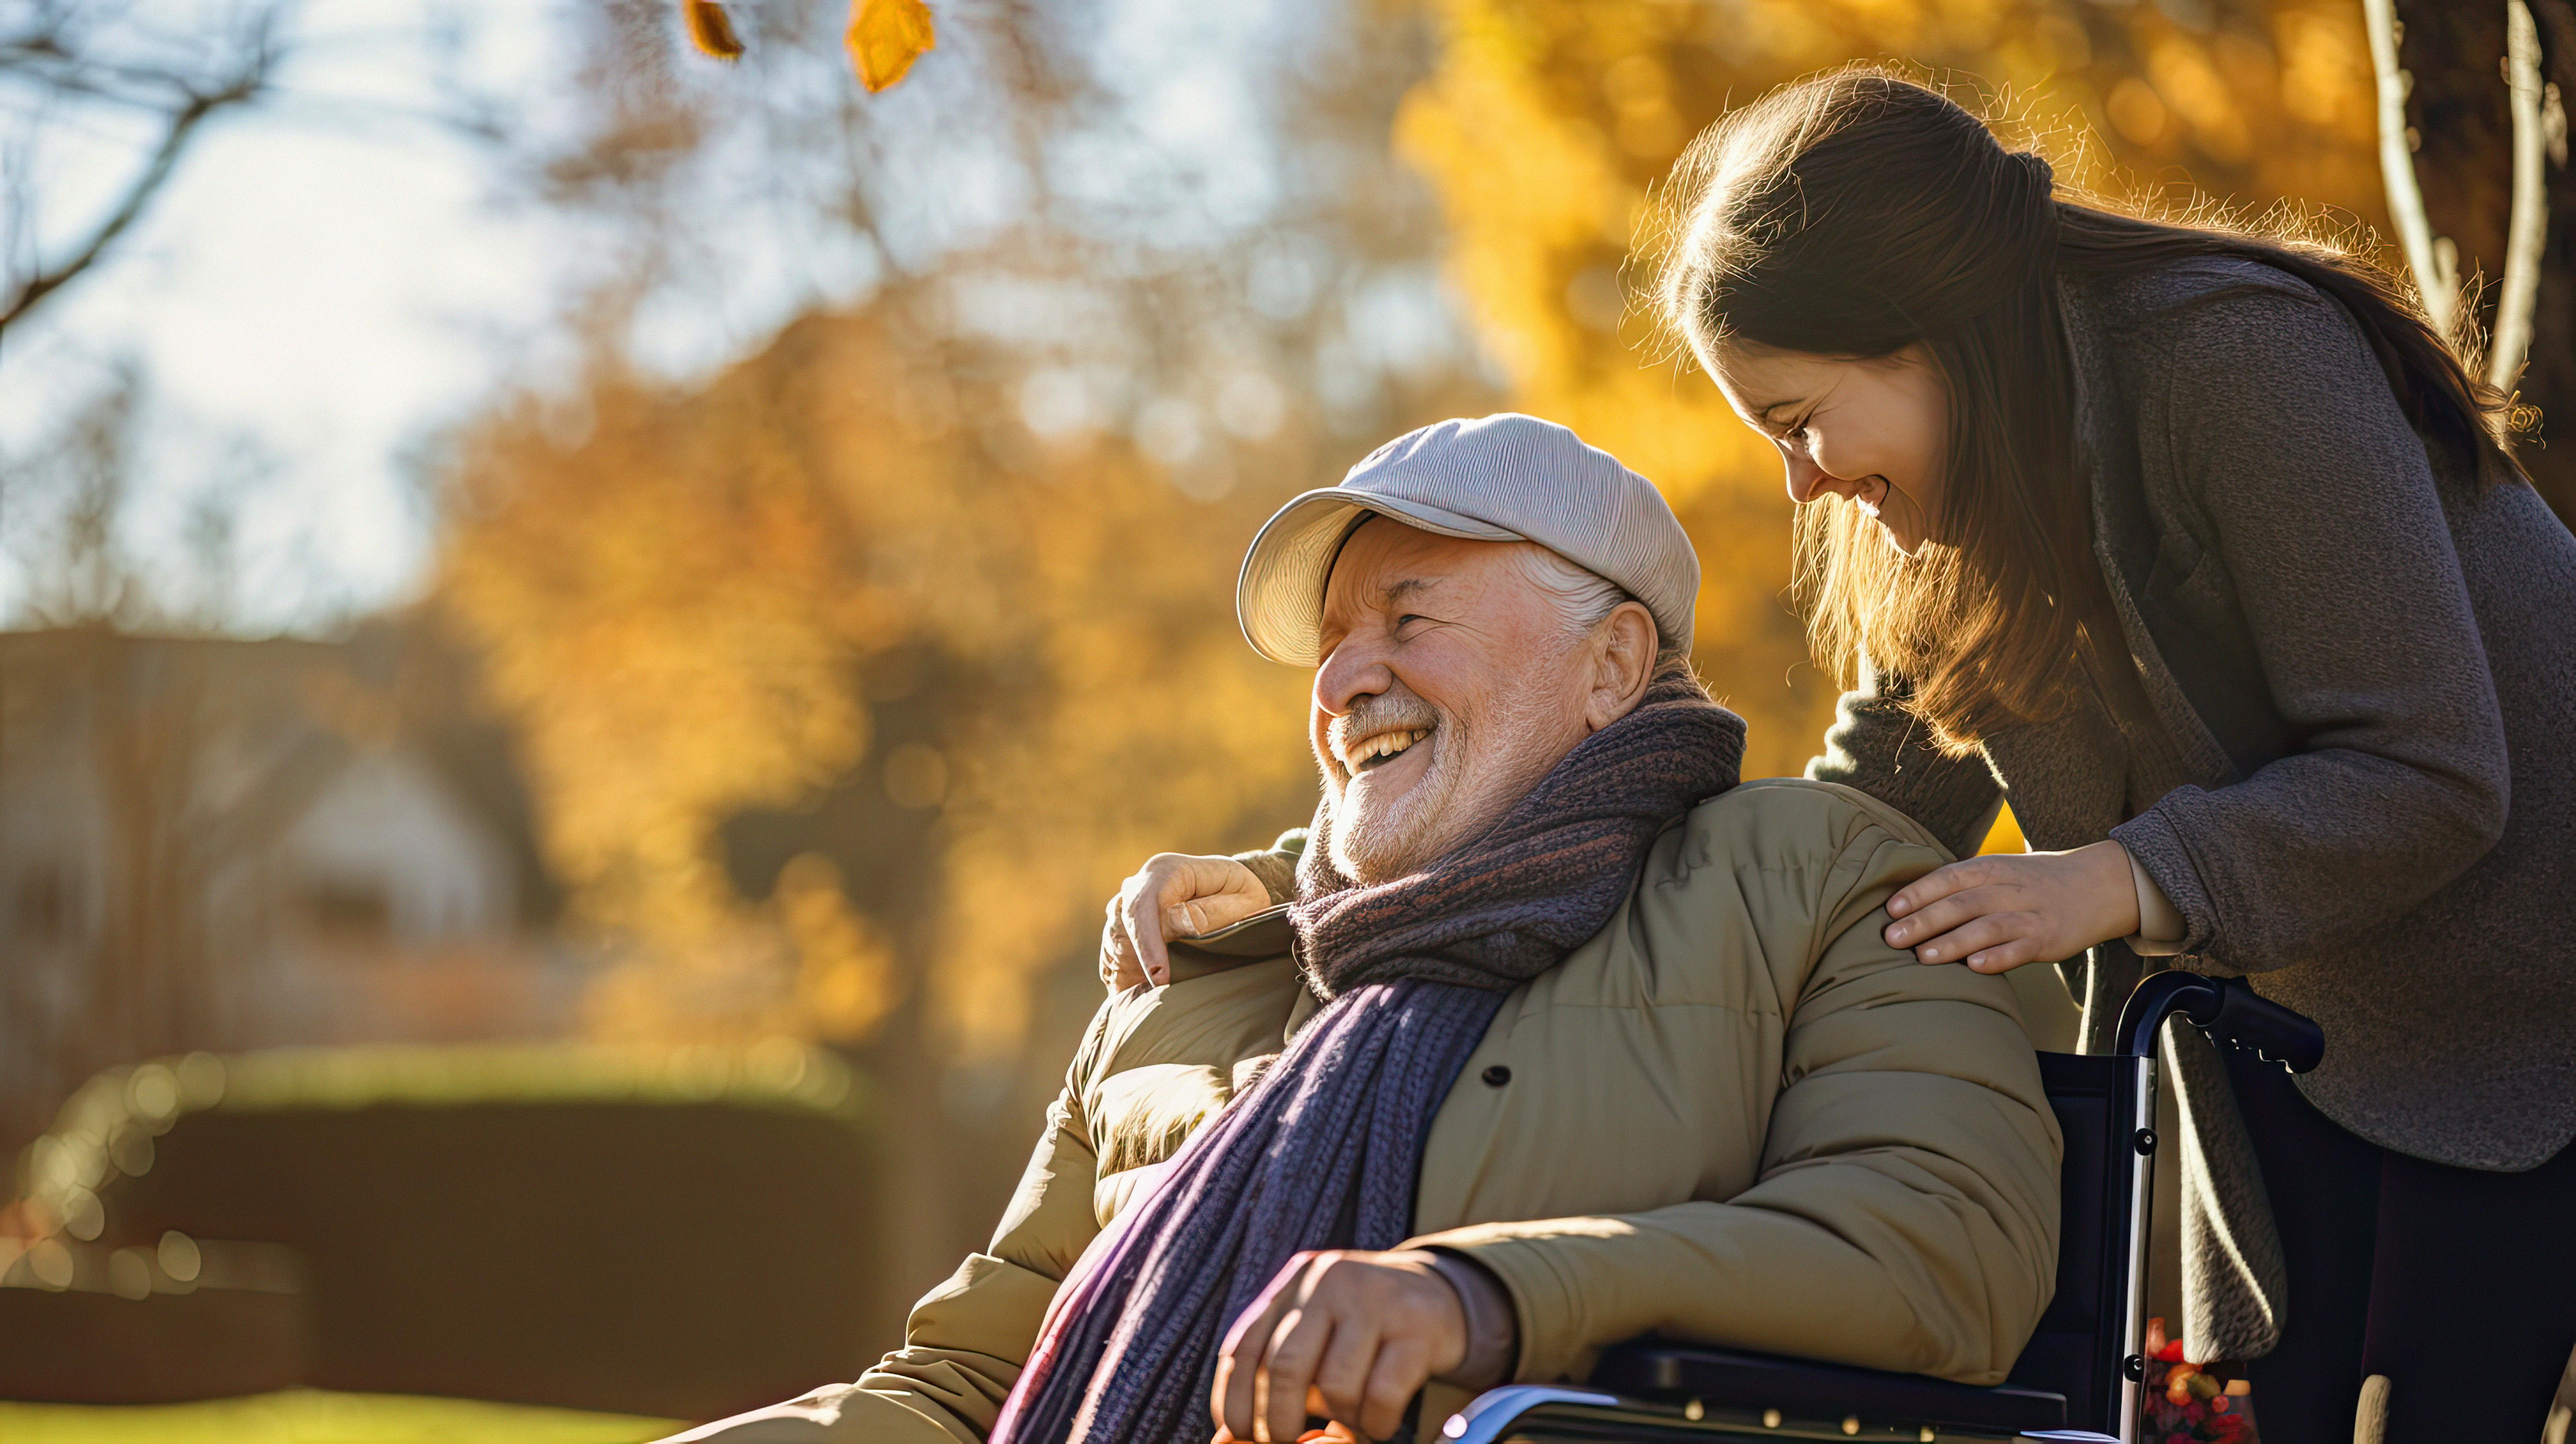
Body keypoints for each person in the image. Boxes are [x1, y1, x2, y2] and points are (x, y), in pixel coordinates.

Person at [1111, 69, 2576, 1444]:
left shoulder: (2238, 357)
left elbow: (2431, 771)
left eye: (1801, 420)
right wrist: (1307, 881)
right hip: (2275, 1072)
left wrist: (2116, 880)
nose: (1800, 481)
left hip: (2523, 1023)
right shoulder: (1932, 523)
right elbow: (1805, 859)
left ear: (1930, 327)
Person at [668, 414, 2061, 1444]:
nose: (1343, 677)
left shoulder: (1810, 880)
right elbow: (970, 1383)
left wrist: (1484, 1294)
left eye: (1409, 616)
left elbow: (1939, 1251)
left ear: (1612, 665)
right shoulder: (1193, 974)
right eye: (1331, 640)